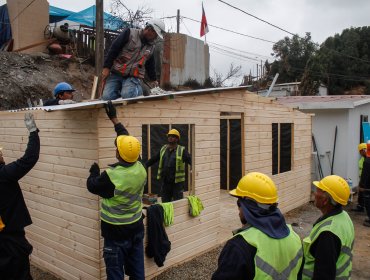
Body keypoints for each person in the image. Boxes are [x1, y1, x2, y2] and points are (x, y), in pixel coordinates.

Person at [86, 101, 147, 280]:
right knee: (137, 272)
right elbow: (129, 144)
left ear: (118, 154)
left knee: (115, 274)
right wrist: (115, 120)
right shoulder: (141, 167)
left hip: (115, 233)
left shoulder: (111, 177)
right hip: (135, 228)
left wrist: (93, 172)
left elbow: (92, 186)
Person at [212, 172, 303, 280]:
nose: (238, 210)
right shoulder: (295, 238)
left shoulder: (239, 246)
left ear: (248, 207)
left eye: (239, 203)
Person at [0, 113, 40, 280]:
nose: (2, 155)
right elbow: (29, 158)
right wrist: (33, 132)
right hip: (11, 241)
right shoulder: (4, 175)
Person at [302, 175, 354, 279]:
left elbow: (324, 274)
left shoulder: (328, 234)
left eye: (318, 191)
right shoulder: (344, 216)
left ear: (325, 200)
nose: (314, 194)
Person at [101, 19, 165, 100]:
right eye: (155, 35)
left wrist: (153, 79)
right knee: (107, 97)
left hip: (133, 76)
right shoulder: (129, 33)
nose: (155, 38)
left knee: (128, 95)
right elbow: (114, 49)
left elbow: (150, 64)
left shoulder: (151, 46)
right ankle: (123, 92)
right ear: (150, 30)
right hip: (117, 73)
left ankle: (140, 90)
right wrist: (106, 67)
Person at [146, 129, 191, 203]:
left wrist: (195, 169)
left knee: (178, 203)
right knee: (165, 203)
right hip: (166, 182)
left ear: (177, 139)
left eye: (173, 136)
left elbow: (191, 160)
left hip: (177, 183)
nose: (170, 138)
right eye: (169, 136)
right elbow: (154, 159)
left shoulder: (182, 150)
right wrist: (145, 165)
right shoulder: (163, 149)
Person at [352, 143, 367, 212]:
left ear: (363, 150)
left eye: (360, 151)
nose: (360, 153)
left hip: (366, 179)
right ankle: (360, 206)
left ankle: (363, 207)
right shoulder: (362, 159)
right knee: (361, 193)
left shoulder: (367, 159)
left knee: (364, 193)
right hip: (362, 178)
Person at [359, 144, 370, 227]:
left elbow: (364, 174)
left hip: (367, 185)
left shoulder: (367, 161)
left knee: (368, 201)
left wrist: (361, 185)